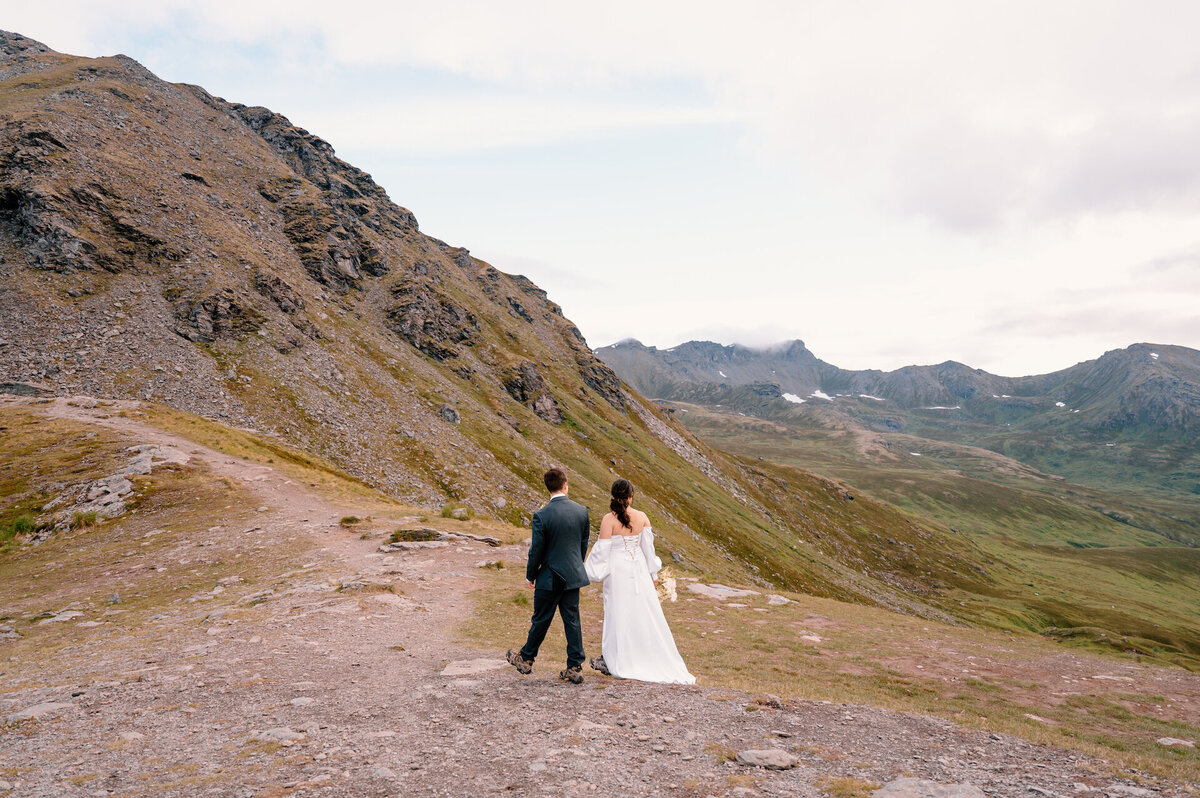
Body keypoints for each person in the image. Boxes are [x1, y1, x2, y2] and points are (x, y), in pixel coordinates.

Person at [584, 479, 695, 684]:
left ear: (613, 495)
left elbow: (601, 552)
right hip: (640, 572)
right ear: (630, 497)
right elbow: (648, 550)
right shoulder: (642, 517)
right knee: (644, 614)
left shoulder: (608, 520)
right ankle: (645, 656)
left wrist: (588, 570)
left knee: (617, 614)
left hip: (618, 574)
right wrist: (653, 574)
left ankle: (616, 658)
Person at [507, 467, 591, 684]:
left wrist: (530, 575)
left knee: (541, 618)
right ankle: (574, 666)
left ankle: (526, 659)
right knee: (572, 620)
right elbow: (582, 546)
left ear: (548, 488)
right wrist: (575, 565)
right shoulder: (582, 511)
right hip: (572, 575)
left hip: (549, 577)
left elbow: (537, 550)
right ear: (565, 485)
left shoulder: (542, 516)